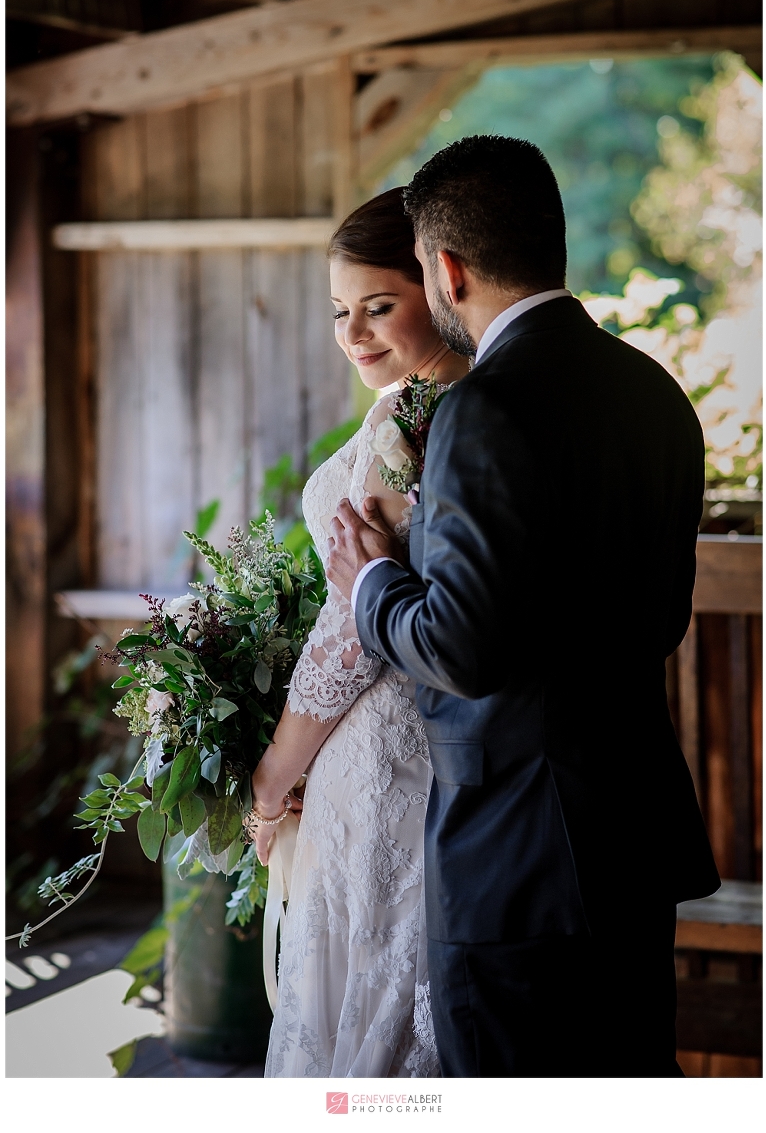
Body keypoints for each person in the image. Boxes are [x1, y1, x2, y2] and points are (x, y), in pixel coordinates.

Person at [327, 135, 721, 1078]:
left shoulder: (486, 407)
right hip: (631, 830)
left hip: (517, 853)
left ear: (447, 269)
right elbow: (662, 615)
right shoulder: (655, 392)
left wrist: (371, 584)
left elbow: (460, 648)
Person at [249, 187, 469, 1078]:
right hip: (352, 761)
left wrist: (272, 776)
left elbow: (353, 631)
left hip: (389, 754)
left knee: (382, 1014)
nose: (355, 334)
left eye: (380, 307)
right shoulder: (399, 406)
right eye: (342, 312)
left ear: (440, 287)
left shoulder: (424, 418)